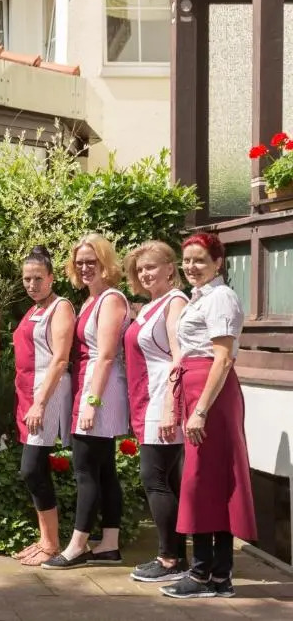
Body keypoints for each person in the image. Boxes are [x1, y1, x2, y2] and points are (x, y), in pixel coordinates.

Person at [160, 233, 256, 599]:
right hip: (198, 390)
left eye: (200, 259)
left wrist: (200, 410)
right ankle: (216, 576)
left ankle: (204, 574)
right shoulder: (200, 297)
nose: (191, 266)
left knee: (202, 481)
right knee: (206, 482)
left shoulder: (220, 298)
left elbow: (223, 358)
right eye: (187, 260)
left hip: (210, 396)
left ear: (218, 262)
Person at [44, 233, 131, 570]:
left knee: (85, 469)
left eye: (91, 262)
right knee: (104, 468)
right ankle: (109, 544)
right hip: (92, 385)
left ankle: (77, 546)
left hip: (100, 390)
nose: (84, 268)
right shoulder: (90, 301)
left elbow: (106, 356)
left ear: (105, 262)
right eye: (79, 262)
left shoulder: (111, 300)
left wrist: (92, 403)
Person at [123, 241, 189, 583]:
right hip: (147, 397)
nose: (145, 273)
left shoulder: (175, 301)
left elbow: (180, 357)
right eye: (140, 269)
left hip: (163, 397)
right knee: (167, 480)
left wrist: (169, 407)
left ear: (169, 268)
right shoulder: (150, 305)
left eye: (151, 266)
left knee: (155, 478)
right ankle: (178, 557)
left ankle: (169, 559)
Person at [12, 245, 75, 566]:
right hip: (28, 394)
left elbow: (60, 359)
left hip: (46, 396)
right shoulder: (34, 308)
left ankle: (51, 543)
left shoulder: (60, 307)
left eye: (38, 278)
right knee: (33, 469)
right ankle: (44, 539)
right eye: (27, 279)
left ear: (51, 278)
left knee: (32, 468)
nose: (32, 284)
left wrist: (39, 403)